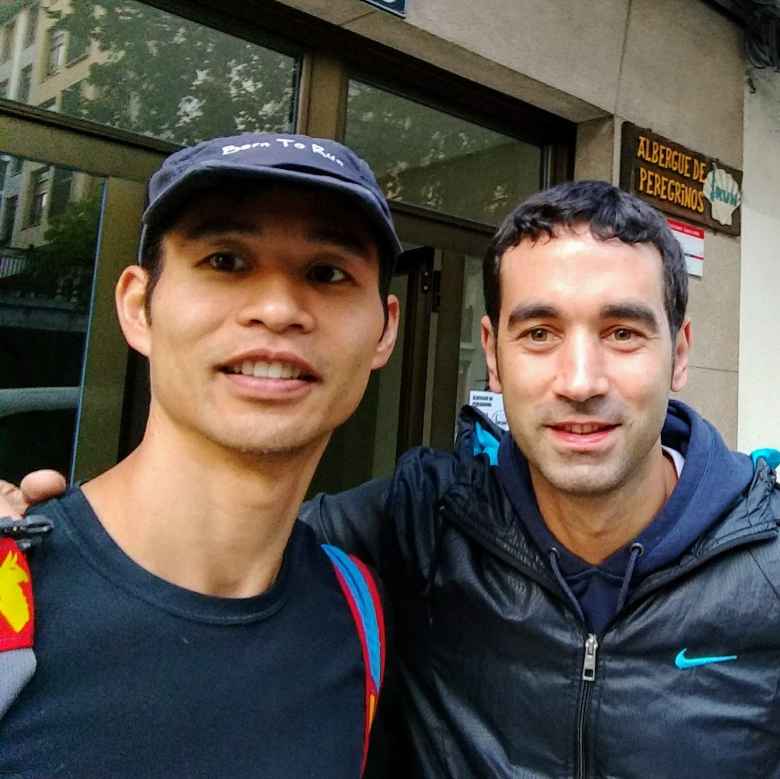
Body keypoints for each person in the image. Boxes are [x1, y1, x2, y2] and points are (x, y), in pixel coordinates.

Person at [5, 181, 780, 777]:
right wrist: (45, 534)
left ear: (679, 351)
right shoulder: (420, 526)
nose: (581, 378)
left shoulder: (767, 562)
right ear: (493, 352)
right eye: (539, 332)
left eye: (622, 332)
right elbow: (223, 539)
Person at [0, 132, 402, 778]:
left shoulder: (358, 616)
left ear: (385, 330)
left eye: (327, 273)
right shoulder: (9, 602)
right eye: (225, 260)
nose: (277, 309)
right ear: (137, 306)